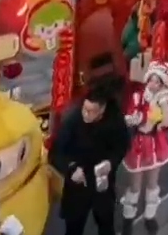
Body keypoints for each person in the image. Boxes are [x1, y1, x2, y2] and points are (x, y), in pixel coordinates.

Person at [51, 84, 131, 235]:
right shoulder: (73, 120)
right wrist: (71, 169)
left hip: (102, 180)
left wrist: (111, 162)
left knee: (106, 224)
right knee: (74, 228)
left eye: (91, 111)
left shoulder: (114, 120)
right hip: (78, 183)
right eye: (84, 109)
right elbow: (56, 153)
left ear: (102, 110)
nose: (85, 114)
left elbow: (121, 146)